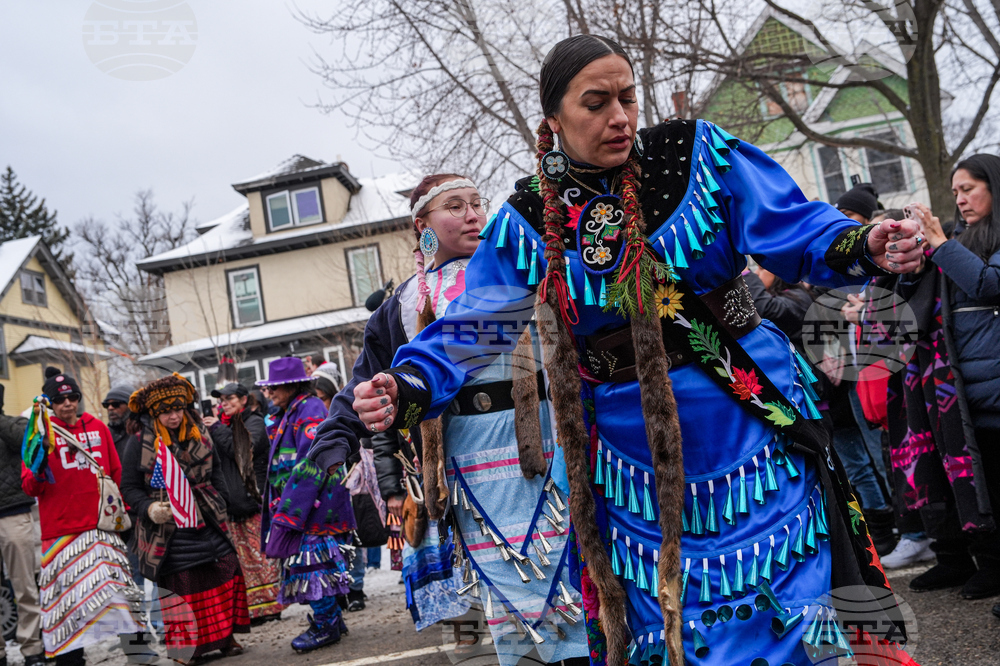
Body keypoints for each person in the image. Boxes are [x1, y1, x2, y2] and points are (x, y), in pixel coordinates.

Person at [347, 35, 924, 666]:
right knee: (662, 623)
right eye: (596, 103)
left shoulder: (698, 156)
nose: (619, 116)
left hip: (749, 417)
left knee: (788, 602)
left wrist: (866, 242)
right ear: (553, 120)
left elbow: (796, 228)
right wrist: (408, 386)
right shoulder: (530, 216)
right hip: (629, 455)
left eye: (627, 98)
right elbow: (477, 323)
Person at [310, 173, 589, 665]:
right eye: (455, 207)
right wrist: (334, 439)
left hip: (546, 459)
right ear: (422, 228)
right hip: (467, 475)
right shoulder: (401, 307)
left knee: (572, 597)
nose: (473, 214)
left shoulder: (522, 269)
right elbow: (368, 386)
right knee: (498, 615)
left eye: (477, 204)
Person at [888, 155, 1000, 605]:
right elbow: (919, 306)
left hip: (991, 386)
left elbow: (988, 285)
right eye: (955, 192)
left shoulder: (962, 242)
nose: (960, 199)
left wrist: (937, 242)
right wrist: (913, 271)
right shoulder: (957, 240)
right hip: (957, 388)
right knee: (972, 482)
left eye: (969, 189)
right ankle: (972, 559)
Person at [120, 374, 250, 663]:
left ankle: (226, 637)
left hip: (209, 518)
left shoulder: (199, 432)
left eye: (178, 409)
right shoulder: (139, 443)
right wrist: (149, 509)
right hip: (167, 527)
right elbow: (128, 487)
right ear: (155, 413)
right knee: (181, 585)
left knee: (225, 571)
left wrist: (222, 499)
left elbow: (216, 471)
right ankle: (184, 650)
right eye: (167, 411)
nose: (174, 415)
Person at [21, 368, 142, 666]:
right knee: (67, 607)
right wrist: (40, 457)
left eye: (73, 397)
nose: (68, 404)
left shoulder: (98, 428)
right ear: (49, 403)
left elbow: (116, 473)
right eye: (60, 399)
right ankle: (71, 661)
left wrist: (122, 513)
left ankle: (139, 654)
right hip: (62, 533)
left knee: (120, 594)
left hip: (102, 527)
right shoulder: (38, 433)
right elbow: (29, 486)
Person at [257, 357, 353, 653]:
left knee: (313, 565)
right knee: (312, 565)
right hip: (303, 504)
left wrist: (290, 512)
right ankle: (332, 620)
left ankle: (326, 624)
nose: (270, 392)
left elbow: (311, 463)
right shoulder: (290, 411)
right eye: (269, 387)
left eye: (276, 387)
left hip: (313, 507)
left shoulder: (310, 410)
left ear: (292, 385)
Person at [203, 383, 283, 624]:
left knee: (262, 558)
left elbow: (243, 449)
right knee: (245, 561)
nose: (223, 404)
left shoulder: (255, 422)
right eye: (221, 400)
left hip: (254, 501)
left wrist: (216, 427)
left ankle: (273, 606)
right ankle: (256, 609)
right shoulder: (223, 426)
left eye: (229, 399)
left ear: (244, 400)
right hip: (232, 504)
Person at [0, 386, 44, 666]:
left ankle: (32, 649)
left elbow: (28, 440)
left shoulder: (13, 425)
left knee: (24, 586)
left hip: (13, 514)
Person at [104, 385, 136, 459]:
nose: (110, 408)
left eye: (116, 404)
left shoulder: (143, 433)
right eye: (106, 405)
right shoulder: (106, 435)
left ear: (131, 406)